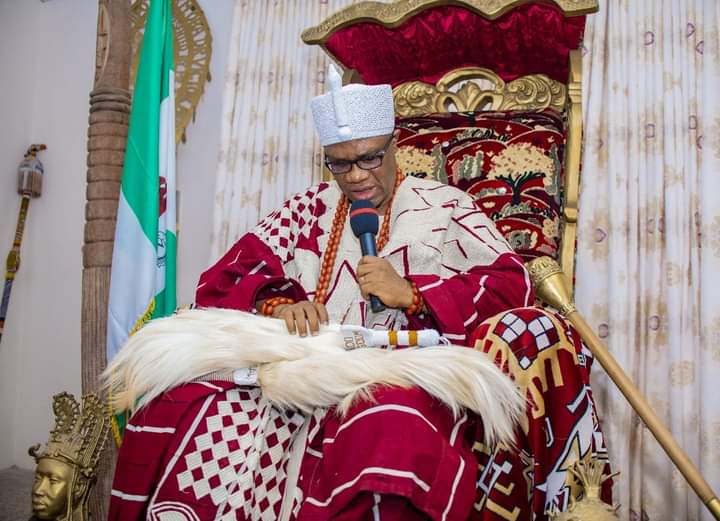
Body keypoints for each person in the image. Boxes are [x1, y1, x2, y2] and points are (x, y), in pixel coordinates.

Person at [108, 65, 610, 520]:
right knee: (174, 401)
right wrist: (280, 304)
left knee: (387, 417)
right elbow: (229, 276)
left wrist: (413, 294)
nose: (356, 177)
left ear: (396, 145)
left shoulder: (444, 205)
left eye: (370, 158)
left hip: (405, 368)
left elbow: (510, 282)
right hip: (303, 367)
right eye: (340, 164)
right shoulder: (307, 208)